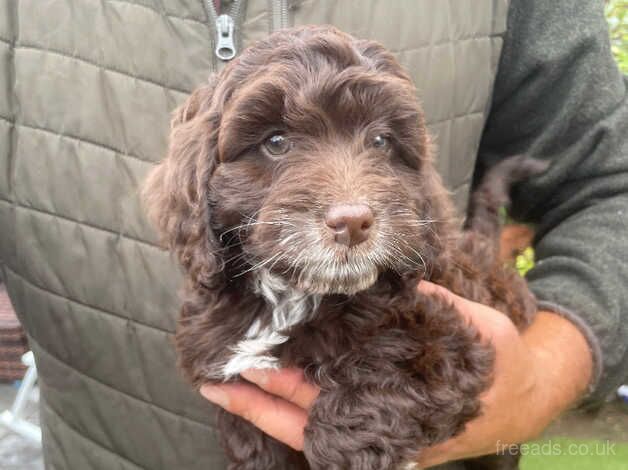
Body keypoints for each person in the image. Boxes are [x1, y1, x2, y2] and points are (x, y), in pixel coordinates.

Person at [0, 1, 625, 469]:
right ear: (202, 185)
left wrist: (541, 378)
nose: (351, 202)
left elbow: (611, 187)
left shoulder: (408, 316)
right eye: (275, 142)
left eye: (381, 142)